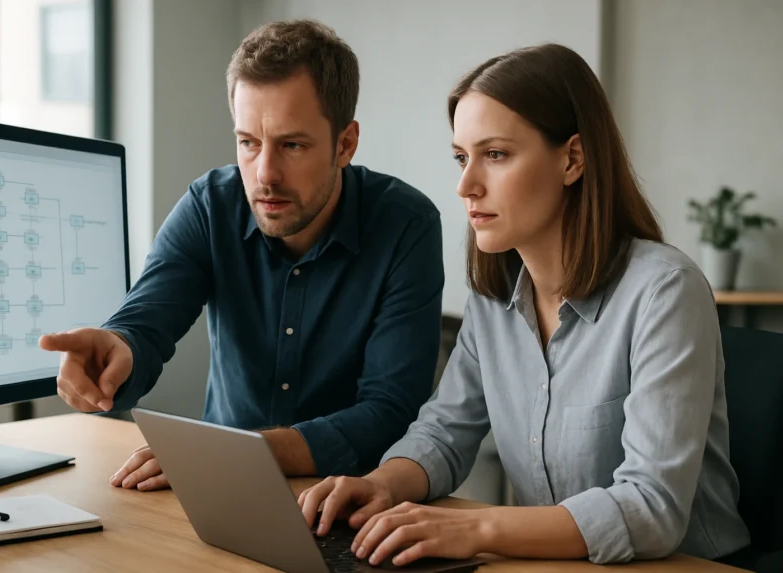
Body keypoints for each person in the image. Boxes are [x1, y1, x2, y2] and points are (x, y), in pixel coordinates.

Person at [298, 43, 751, 568]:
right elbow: (444, 433)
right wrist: (380, 485)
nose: (466, 185)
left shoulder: (666, 291)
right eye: (461, 157)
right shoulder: (493, 300)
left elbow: (652, 507)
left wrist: (477, 527)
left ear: (572, 159)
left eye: (495, 155)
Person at [39, 19, 444, 489]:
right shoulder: (211, 206)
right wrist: (119, 348)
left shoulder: (406, 225)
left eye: (292, 145)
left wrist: (229, 452)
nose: (265, 174)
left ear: (345, 144)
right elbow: (146, 324)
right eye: (248, 143)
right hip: (222, 488)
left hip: (351, 500)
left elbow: (390, 413)